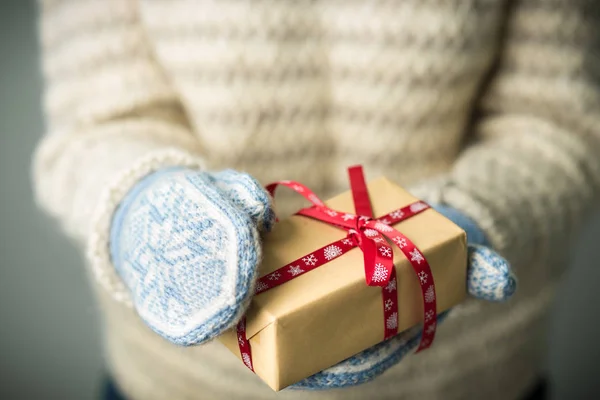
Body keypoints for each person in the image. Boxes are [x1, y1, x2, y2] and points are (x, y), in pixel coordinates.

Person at [33, 0, 600, 399]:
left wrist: (463, 227)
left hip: (472, 380)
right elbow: (95, 124)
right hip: (177, 386)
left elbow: (557, 124)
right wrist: (140, 204)